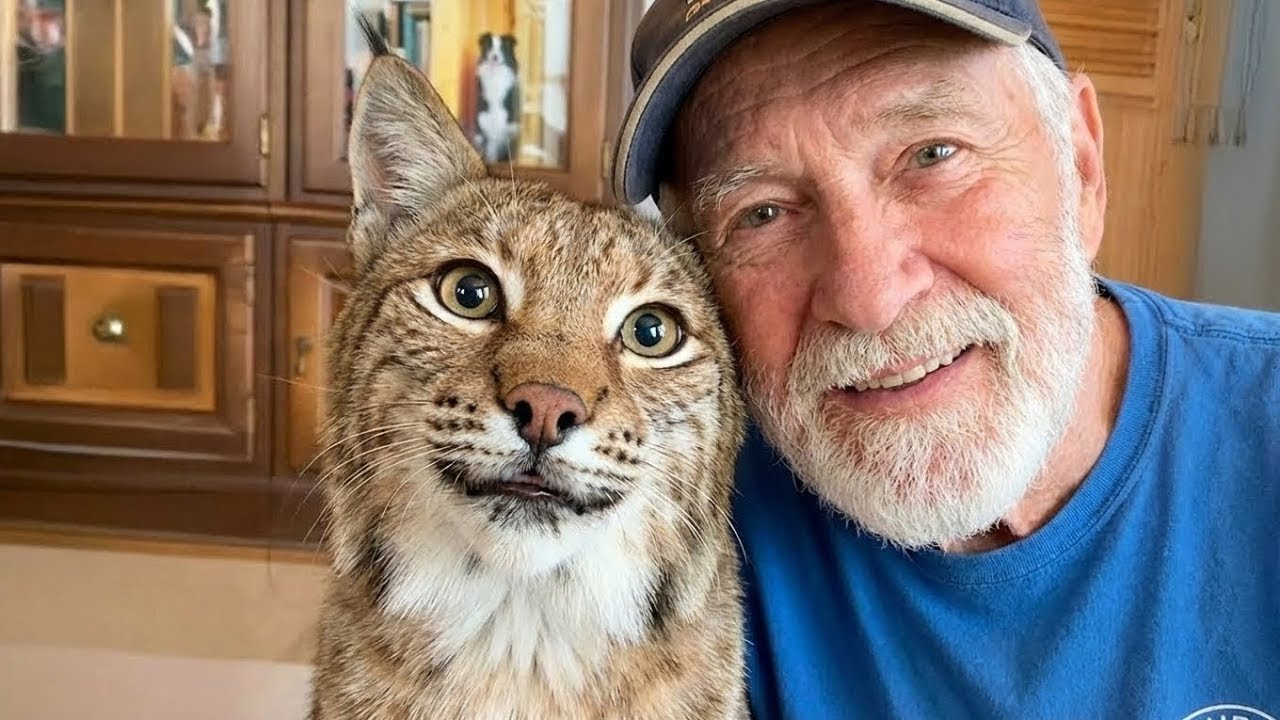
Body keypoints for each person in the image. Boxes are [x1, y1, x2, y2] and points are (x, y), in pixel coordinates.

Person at [609, 0, 1280, 717]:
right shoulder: (664, 506)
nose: (868, 297)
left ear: (1082, 166)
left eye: (932, 155)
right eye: (762, 212)